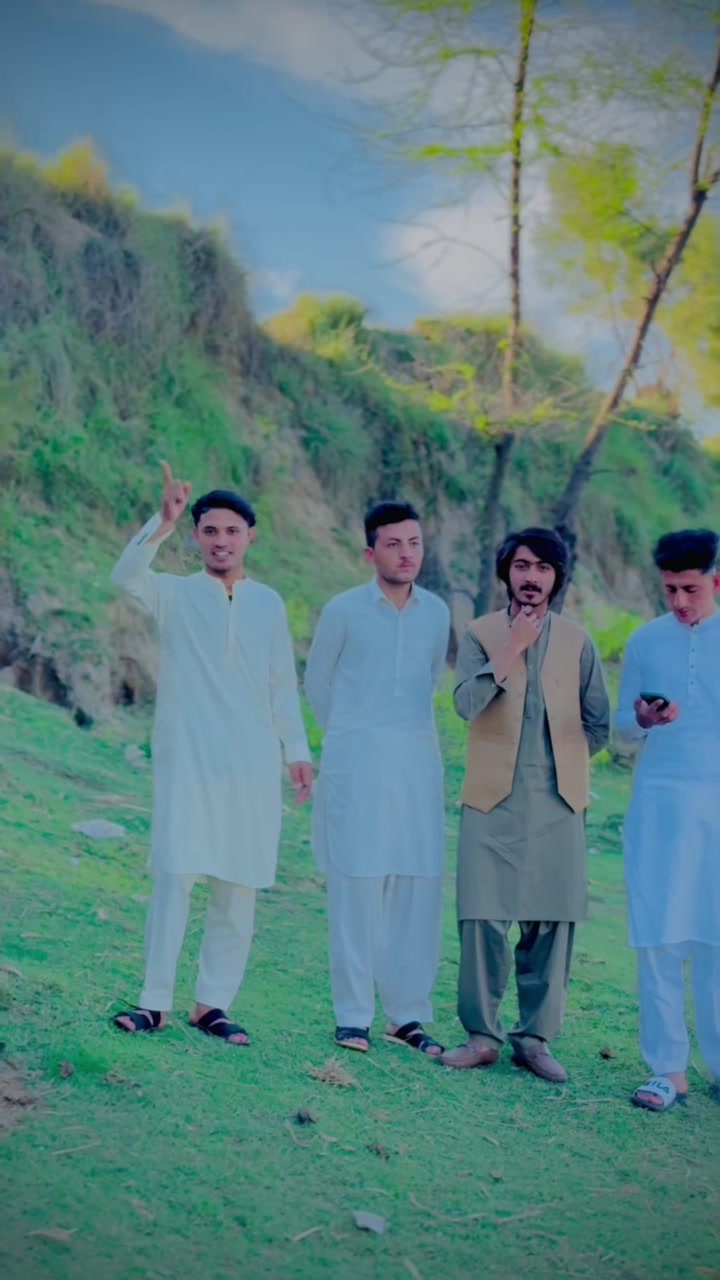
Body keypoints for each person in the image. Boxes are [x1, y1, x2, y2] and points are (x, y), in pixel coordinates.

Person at [111, 463, 312, 1045]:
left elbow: (281, 685)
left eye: (232, 531)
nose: (221, 540)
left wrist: (296, 752)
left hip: (251, 763)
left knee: (237, 883)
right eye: (210, 531)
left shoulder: (268, 603)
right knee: (175, 874)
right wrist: (163, 522)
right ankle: (154, 1002)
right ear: (197, 537)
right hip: (189, 757)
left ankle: (213, 1005)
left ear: (250, 536)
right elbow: (125, 576)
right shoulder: (173, 594)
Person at [441, 528, 610, 1082]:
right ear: (506, 573)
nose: (531, 577)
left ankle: (534, 1040)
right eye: (521, 566)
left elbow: (598, 723)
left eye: (542, 567)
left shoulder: (578, 642)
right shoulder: (480, 633)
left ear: (557, 577)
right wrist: (511, 648)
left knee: (553, 923)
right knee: (482, 919)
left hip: (558, 802)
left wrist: (565, 764)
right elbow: (465, 704)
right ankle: (481, 1037)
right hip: (491, 801)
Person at [305, 501, 450, 1056]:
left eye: (414, 543)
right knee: (357, 887)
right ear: (370, 553)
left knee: (416, 889)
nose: (406, 554)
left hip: (417, 768)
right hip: (358, 766)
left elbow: (428, 682)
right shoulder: (344, 609)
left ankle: (407, 1014)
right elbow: (317, 683)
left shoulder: (437, 613)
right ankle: (353, 1015)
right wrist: (351, 737)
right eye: (393, 544)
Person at [616, 528, 720, 1112]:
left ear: (716, 581)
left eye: (690, 589)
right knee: (658, 935)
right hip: (659, 805)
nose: (679, 601)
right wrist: (643, 720)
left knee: (714, 937)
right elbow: (621, 727)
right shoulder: (645, 640)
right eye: (670, 589)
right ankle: (667, 1070)